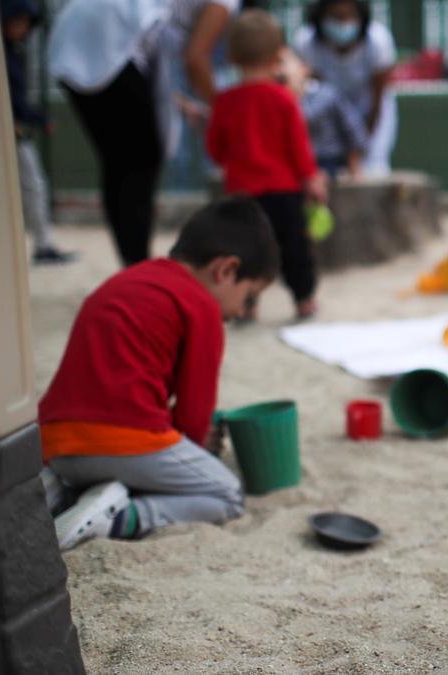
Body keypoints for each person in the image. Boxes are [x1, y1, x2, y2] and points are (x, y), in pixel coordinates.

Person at [40, 197, 279, 550]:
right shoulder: (201, 306)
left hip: (54, 442)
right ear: (226, 271)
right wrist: (199, 446)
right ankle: (123, 517)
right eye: (250, 297)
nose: (244, 311)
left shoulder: (130, 279)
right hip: (122, 438)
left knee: (117, 457)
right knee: (226, 493)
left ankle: (64, 493)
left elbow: (112, 383)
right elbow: (194, 416)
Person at [47, 0, 238, 266]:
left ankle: (132, 264)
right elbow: (195, 59)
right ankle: (138, 266)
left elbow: (152, 71)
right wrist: (229, 114)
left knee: (119, 163)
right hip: (109, 39)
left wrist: (179, 103)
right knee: (141, 160)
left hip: (74, 35)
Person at [207, 11, 327, 320]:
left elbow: (216, 149)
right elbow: (298, 147)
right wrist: (310, 178)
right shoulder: (283, 99)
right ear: (278, 56)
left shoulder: (225, 101)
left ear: (232, 56)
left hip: (241, 194)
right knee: (294, 249)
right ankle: (304, 299)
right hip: (283, 192)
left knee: (245, 252)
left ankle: (246, 303)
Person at [0, 0, 76, 264]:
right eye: (18, 21)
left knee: (32, 187)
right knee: (32, 186)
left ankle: (43, 243)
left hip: (16, 131)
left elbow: (16, 100)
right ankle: (41, 244)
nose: (23, 28)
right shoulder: (3, 56)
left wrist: (36, 118)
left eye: (25, 22)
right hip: (9, 131)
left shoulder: (12, 53)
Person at [295, 0, 397, 175]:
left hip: (370, 111)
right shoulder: (306, 42)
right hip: (327, 117)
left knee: (372, 170)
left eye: (347, 16)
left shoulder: (378, 40)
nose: (342, 23)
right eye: (335, 17)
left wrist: (360, 145)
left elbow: (377, 99)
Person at [278, 47, 367, 177]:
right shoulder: (276, 101)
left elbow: (353, 128)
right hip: (293, 166)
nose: (279, 70)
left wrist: (354, 166)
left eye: (283, 63)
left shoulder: (327, 95)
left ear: (304, 68)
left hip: (328, 163)